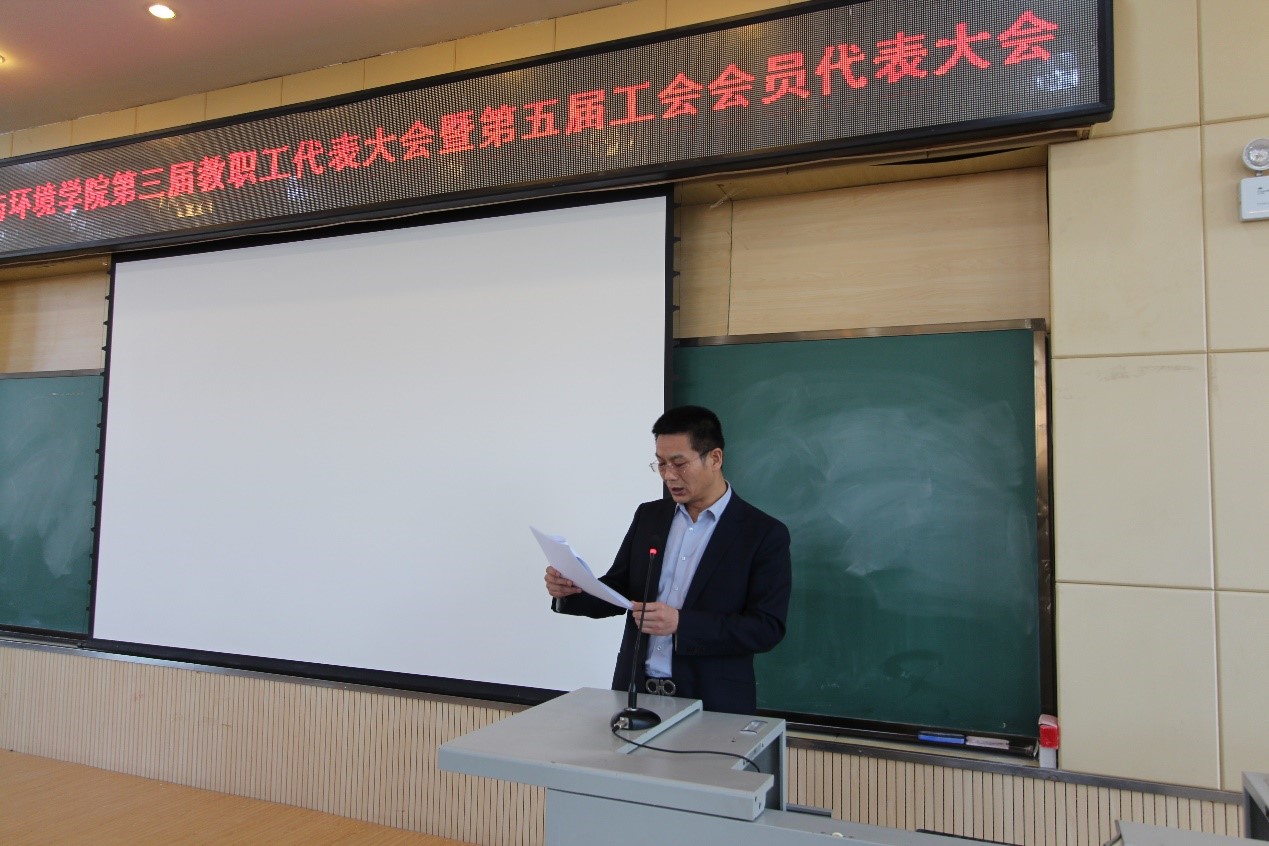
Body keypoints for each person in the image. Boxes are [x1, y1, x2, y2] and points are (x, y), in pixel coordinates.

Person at [544, 405, 791, 714]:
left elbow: (766, 628)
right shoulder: (650, 516)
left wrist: (681, 624)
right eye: (660, 464)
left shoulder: (762, 533)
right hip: (635, 694)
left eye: (679, 463)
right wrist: (573, 590)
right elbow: (620, 591)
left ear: (715, 458)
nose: (669, 475)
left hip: (712, 703)